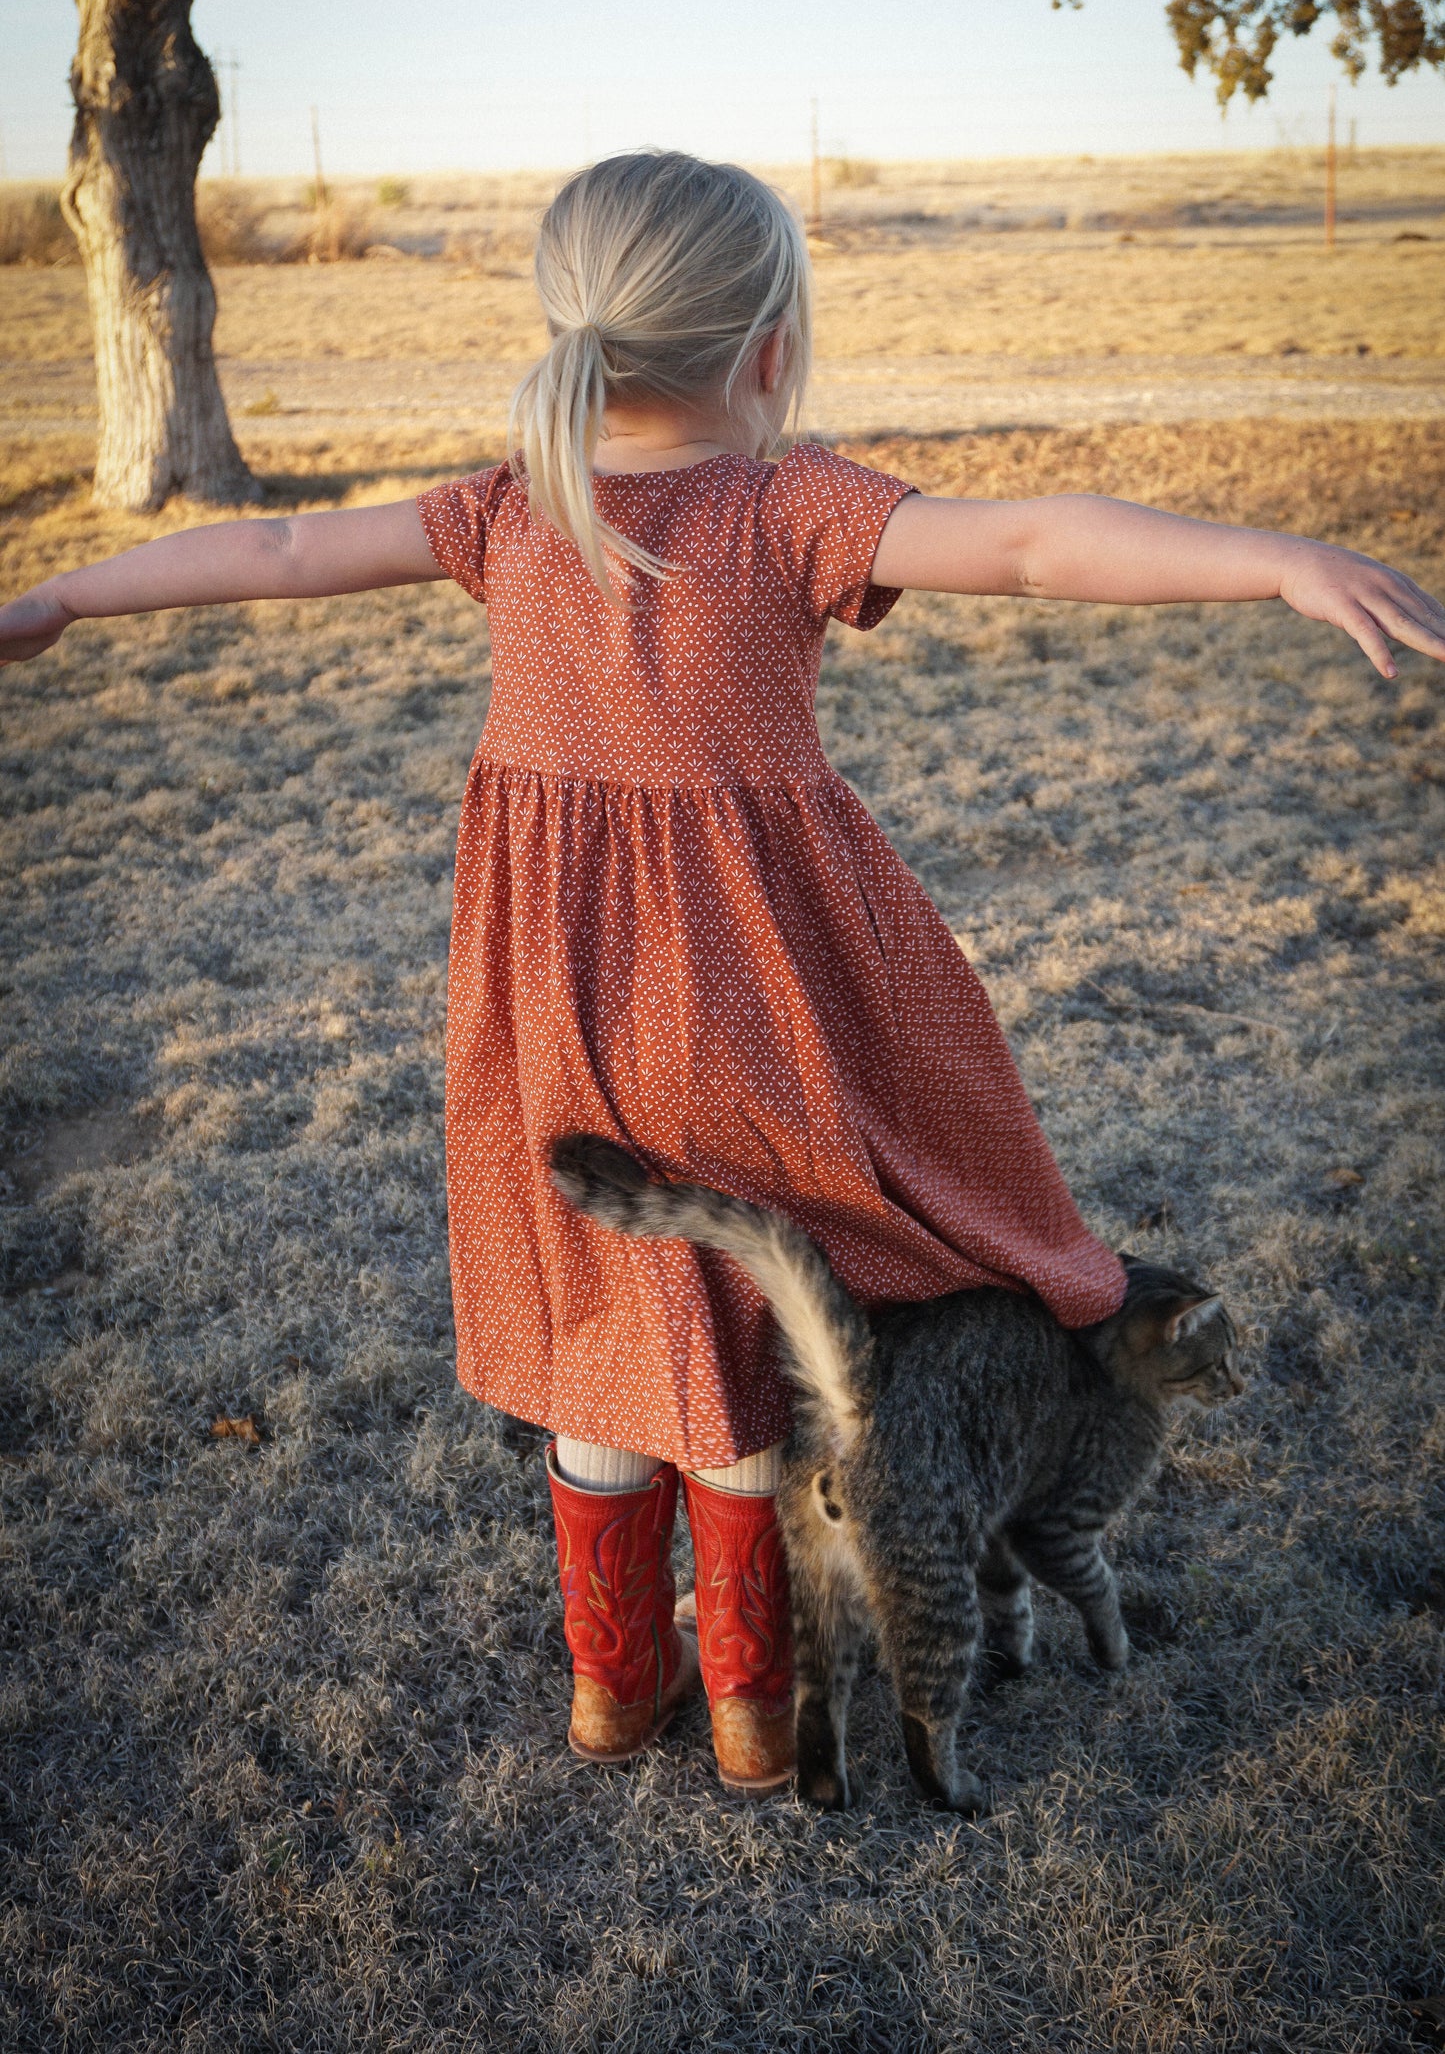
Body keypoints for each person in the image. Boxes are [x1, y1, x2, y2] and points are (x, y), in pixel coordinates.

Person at [4, 152, 1441, 1799]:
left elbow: (266, 554)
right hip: (759, 993)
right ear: (769, 345)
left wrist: (61, 595)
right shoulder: (787, 503)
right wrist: (1265, 556)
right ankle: (755, 1711)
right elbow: (1037, 543)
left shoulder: (504, 505)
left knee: (616, 1304)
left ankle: (614, 1687)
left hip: (557, 999)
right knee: (764, 1309)